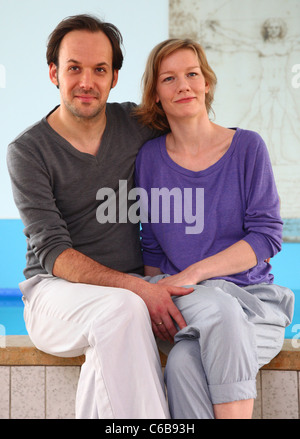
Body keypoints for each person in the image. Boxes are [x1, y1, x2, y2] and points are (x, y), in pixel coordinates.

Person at [6, 15, 194, 419]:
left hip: (129, 297)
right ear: (54, 72)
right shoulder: (28, 151)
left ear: (115, 77)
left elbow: (196, 136)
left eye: (99, 70)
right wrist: (139, 288)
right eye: (74, 68)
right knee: (123, 310)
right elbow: (54, 253)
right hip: (53, 294)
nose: (86, 81)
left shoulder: (138, 126)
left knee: (116, 341)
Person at [134, 38, 294, 419]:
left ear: (206, 82)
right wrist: (156, 309)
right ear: (156, 95)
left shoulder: (247, 148)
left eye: (192, 74)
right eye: (169, 79)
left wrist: (197, 270)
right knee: (219, 310)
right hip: (195, 300)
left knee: (185, 363)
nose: (183, 85)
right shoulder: (150, 159)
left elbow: (267, 234)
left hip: (255, 303)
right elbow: (152, 245)